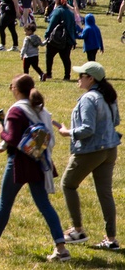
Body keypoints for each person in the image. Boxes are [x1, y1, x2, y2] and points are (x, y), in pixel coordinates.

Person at [0, 75, 69, 261]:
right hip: (40, 163)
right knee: (45, 206)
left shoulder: (17, 111)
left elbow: (15, 140)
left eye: (11, 86)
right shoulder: (40, 109)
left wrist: (2, 132)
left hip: (18, 163)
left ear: (17, 90)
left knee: (4, 203)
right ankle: (61, 249)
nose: (11, 89)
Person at [55, 61, 121, 249]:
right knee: (105, 194)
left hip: (92, 150)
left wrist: (67, 132)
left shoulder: (88, 99)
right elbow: (116, 121)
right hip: (110, 149)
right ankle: (111, 240)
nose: (78, 78)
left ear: (90, 78)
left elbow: (87, 129)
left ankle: (77, 230)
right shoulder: (108, 96)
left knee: (68, 184)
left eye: (80, 75)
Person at [44, 0, 77, 82]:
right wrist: (73, 40)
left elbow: (52, 24)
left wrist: (47, 35)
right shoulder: (70, 13)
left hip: (56, 39)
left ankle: (49, 73)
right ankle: (67, 76)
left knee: (49, 56)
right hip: (68, 39)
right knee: (66, 58)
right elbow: (73, 26)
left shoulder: (57, 11)